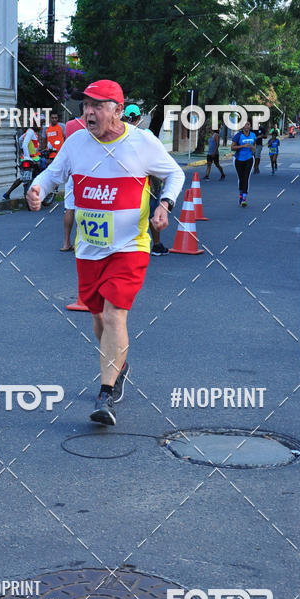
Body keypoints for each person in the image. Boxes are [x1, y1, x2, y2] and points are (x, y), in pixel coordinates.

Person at [27, 79, 185, 426]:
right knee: (98, 318)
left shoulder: (142, 143)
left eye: (97, 106)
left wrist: (165, 205)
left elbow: (174, 174)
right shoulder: (77, 142)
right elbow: (53, 175)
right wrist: (36, 188)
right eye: (85, 105)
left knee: (115, 316)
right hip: (89, 250)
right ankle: (120, 363)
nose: (88, 112)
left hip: (130, 246)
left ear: (117, 109)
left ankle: (105, 393)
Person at [123, 104, 169, 256]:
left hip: (126, 181)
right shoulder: (147, 134)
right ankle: (156, 245)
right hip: (148, 181)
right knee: (152, 213)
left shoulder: (118, 136)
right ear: (138, 118)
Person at [60, 108, 86, 251]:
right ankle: (80, 243)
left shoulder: (69, 125)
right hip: (86, 173)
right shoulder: (92, 125)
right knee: (85, 209)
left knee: (69, 208)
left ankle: (66, 242)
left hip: (71, 171)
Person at [230, 118, 256, 207]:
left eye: (248, 124)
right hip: (238, 159)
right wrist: (243, 146)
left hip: (249, 159)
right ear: (242, 126)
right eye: (245, 124)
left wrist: (252, 147)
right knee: (241, 178)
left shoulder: (253, 135)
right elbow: (232, 147)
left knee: (246, 178)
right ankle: (240, 194)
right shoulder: (238, 135)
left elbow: (254, 147)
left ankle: (244, 198)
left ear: (250, 126)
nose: (247, 126)